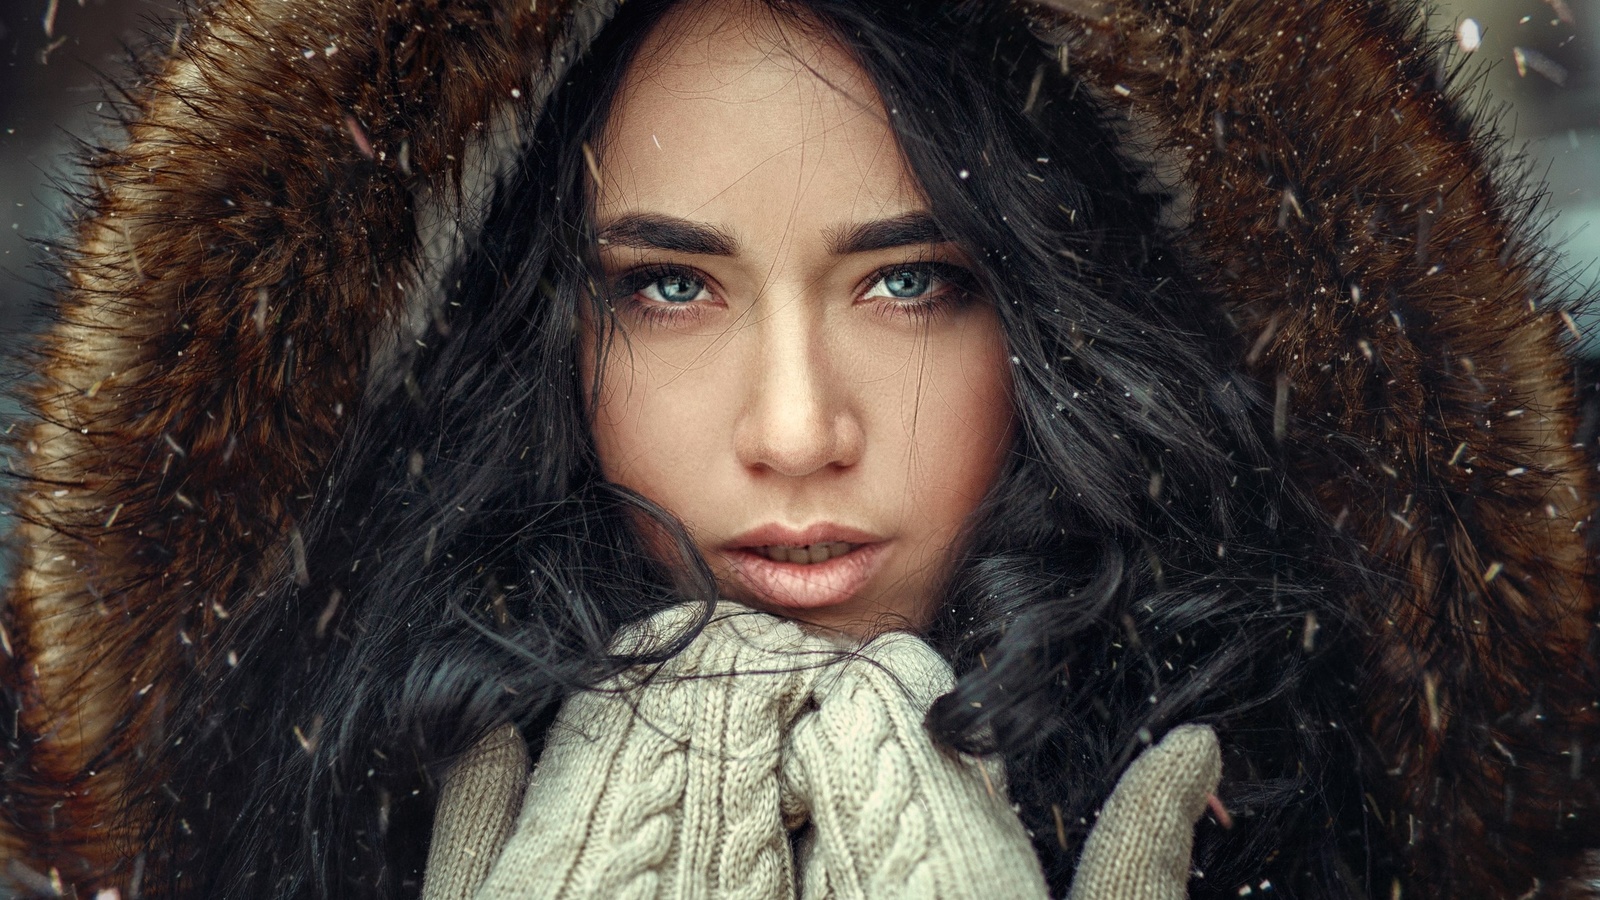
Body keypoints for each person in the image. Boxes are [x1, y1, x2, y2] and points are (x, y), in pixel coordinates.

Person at [2, 0, 1597, 897]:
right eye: (669, 286)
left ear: (1067, 312)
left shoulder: (1340, 819)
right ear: (524, 332)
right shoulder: (305, 817)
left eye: (911, 282)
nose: (792, 431)